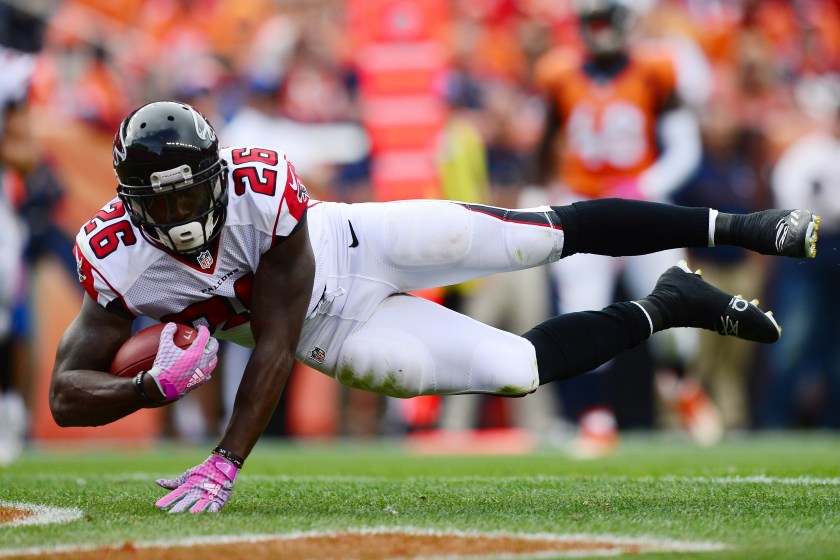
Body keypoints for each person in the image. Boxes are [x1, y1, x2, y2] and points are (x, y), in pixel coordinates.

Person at [49, 101, 819, 513]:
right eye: (165, 197)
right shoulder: (115, 256)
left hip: (354, 245)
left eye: (194, 188)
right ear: (130, 205)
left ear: (219, 175)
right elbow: (66, 395)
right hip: (337, 334)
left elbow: (273, 333)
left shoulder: (259, 187)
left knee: (538, 238)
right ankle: (668, 305)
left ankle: (742, 228)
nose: (184, 209)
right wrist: (148, 389)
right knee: (514, 370)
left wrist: (226, 461)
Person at [532, 0, 708, 455]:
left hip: (643, 206)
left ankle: (681, 382)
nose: (599, 28)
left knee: (677, 306)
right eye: (592, 19)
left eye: (606, 17)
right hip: (584, 208)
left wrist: (643, 183)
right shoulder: (558, 74)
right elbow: (545, 143)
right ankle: (596, 417)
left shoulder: (655, 70)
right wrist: (541, 191)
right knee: (582, 311)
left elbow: (685, 148)